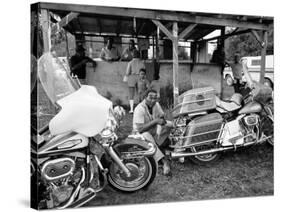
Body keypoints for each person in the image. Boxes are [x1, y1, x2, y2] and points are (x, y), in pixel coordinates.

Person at [133, 89, 173, 175]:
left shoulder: (156, 105)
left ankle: (172, 146)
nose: (153, 100)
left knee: (171, 124)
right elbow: (140, 129)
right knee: (146, 135)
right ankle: (164, 161)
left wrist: (162, 123)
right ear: (145, 98)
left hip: (152, 129)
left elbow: (162, 116)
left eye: (155, 98)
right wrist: (155, 121)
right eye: (150, 98)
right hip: (139, 135)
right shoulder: (139, 109)